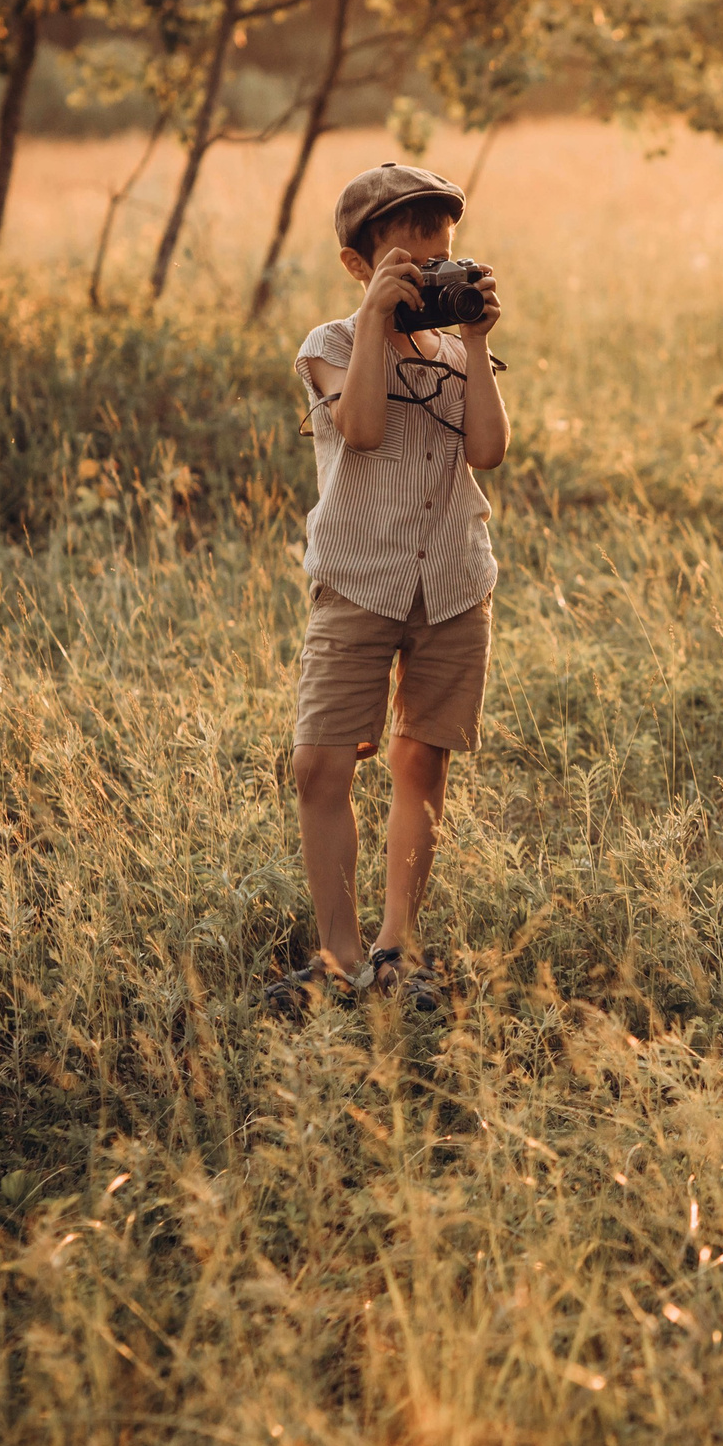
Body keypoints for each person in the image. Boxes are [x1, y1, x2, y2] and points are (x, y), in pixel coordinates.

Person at [263, 163, 510, 1017]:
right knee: (319, 763)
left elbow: (487, 452)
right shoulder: (328, 344)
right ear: (357, 264)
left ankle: (396, 946)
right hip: (358, 577)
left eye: (441, 244)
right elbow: (361, 428)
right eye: (407, 250)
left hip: (450, 577)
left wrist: (474, 342)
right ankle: (336, 955)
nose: (429, 261)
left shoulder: (453, 344)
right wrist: (375, 322)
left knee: (421, 758)